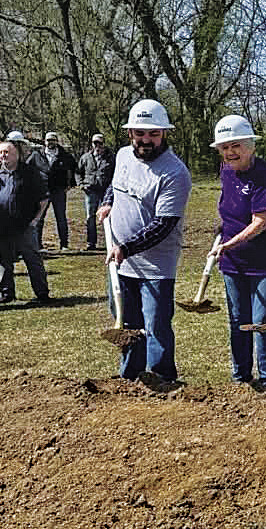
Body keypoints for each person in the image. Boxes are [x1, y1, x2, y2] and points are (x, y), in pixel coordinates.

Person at [99, 100, 192, 384]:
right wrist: (107, 202)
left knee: (156, 327)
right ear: (130, 133)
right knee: (128, 326)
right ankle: (130, 380)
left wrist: (126, 248)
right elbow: (115, 185)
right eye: (140, 133)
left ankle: (162, 380)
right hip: (120, 262)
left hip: (155, 267)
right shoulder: (123, 155)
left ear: (164, 133)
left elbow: (163, 224)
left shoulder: (175, 172)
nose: (146, 139)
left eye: (154, 133)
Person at [209, 115, 266, 387]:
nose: (230, 152)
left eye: (236, 146)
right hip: (234, 261)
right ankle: (241, 378)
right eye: (225, 147)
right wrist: (223, 231)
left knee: (262, 321)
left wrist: (228, 244)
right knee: (238, 319)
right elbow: (230, 207)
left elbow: (261, 221)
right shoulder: (226, 171)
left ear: (251, 146)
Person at [0, 138, 51, 303]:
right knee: (4, 260)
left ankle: (42, 293)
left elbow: (43, 199)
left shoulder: (29, 173)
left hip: (23, 225)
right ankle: (7, 294)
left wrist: (35, 220)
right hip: (0, 225)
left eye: (7, 152)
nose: (3, 155)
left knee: (32, 259)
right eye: (1, 152)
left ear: (17, 154)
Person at [39, 131, 76, 251]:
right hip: (43, 191)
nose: (50, 142)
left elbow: (72, 168)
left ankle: (64, 244)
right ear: (45, 141)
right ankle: (38, 244)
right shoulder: (37, 155)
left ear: (57, 141)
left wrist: (69, 184)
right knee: (39, 218)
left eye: (53, 140)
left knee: (61, 218)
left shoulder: (64, 155)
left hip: (59, 191)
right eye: (48, 140)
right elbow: (29, 169)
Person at [77, 134, 115, 251]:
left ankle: (111, 242)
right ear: (92, 144)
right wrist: (81, 184)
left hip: (106, 191)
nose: (97, 146)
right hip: (90, 190)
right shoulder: (85, 157)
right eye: (95, 143)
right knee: (90, 217)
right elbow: (78, 172)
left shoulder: (111, 157)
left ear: (104, 144)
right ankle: (91, 243)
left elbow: (116, 173)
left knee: (108, 217)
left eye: (100, 143)